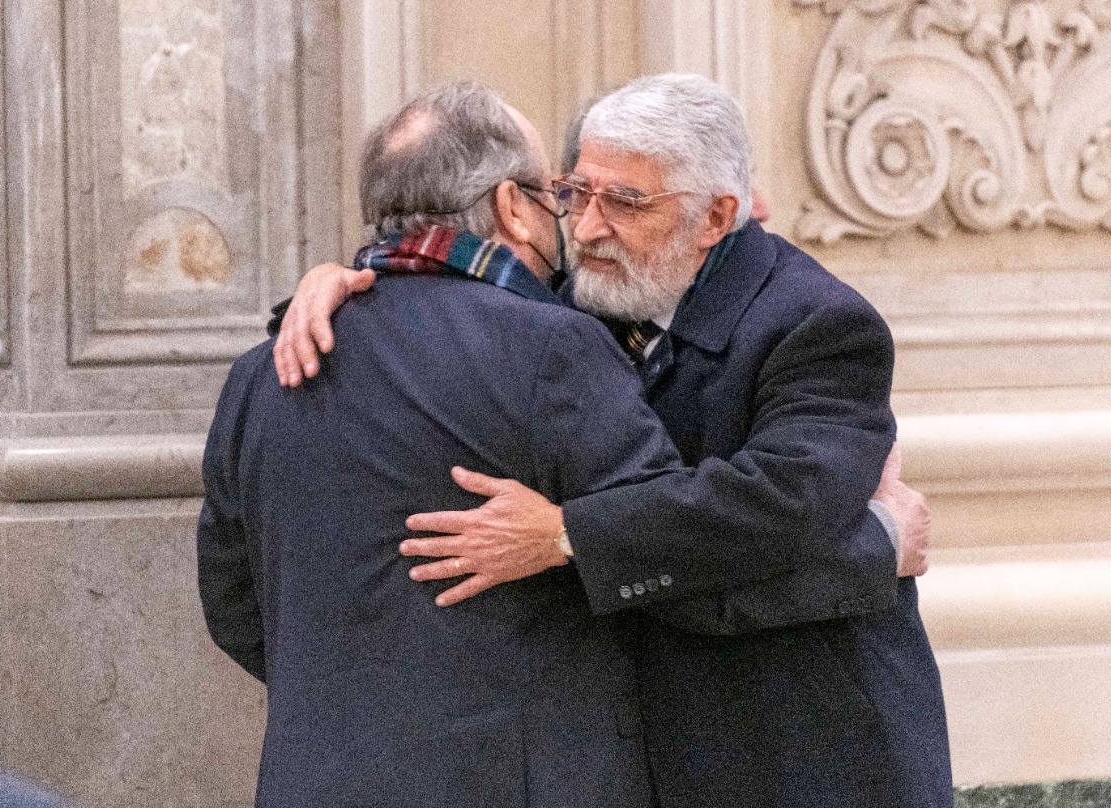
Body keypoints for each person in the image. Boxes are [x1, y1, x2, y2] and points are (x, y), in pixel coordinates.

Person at [273, 74, 949, 807]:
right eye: (575, 194)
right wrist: (339, 281)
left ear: (716, 216)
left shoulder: (819, 326)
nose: (587, 227)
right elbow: (439, 305)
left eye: (625, 201)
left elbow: (775, 510)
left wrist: (566, 536)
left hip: (805, 754)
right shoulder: (587, 299)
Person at [199, 81, 685, 808]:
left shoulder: (262, 371)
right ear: (510, 206)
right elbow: (669, 541)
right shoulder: (553, 349)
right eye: (554, 195)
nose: (573, 224)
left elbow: (233, 603)